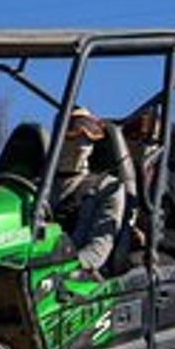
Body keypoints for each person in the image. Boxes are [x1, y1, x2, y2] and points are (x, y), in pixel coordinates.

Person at [52, 108, 126, 276]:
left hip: (78, 282)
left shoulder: (107, 187)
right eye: (73, 129)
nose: (82, 139)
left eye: (90, 133)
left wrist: (67, 270)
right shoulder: (38, 189)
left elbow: (99, 247)